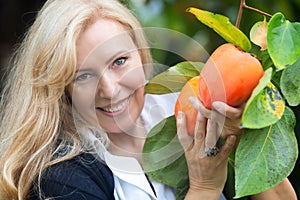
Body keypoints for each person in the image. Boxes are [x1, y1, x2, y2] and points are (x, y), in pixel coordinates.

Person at [0, 0, 296, 199]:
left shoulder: (180, 109)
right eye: (84, 76)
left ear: (141, 56)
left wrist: (244, 132)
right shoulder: (61, 177)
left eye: (119, 61)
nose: (111, 90)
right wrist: (205, 186)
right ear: (61, 87)